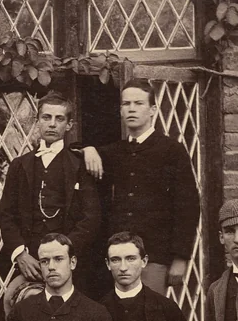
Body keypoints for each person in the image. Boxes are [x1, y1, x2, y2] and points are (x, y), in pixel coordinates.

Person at [81, 78, 200, 294]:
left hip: (154, 256)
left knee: (149, 311)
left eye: (138, 103)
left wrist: (181, 257)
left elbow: (188, 206)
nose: (131, 109)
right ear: (120, 110)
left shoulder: (171, 151)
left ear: (152, 109)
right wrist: (88, 149)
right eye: (126, 104)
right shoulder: (114, 152)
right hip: (117, 258)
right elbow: (74, 152)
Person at [0, 92, 100, 295]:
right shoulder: (20, 165)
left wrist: (65, 251)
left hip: (70, 262)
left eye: (59, 119)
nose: (52, 124)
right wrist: (20, 254)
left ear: (69, 125)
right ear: (37, 121)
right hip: (30, 263)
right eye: (46, 117)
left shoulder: (80, 165)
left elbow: (91, 218)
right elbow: (6, 214)